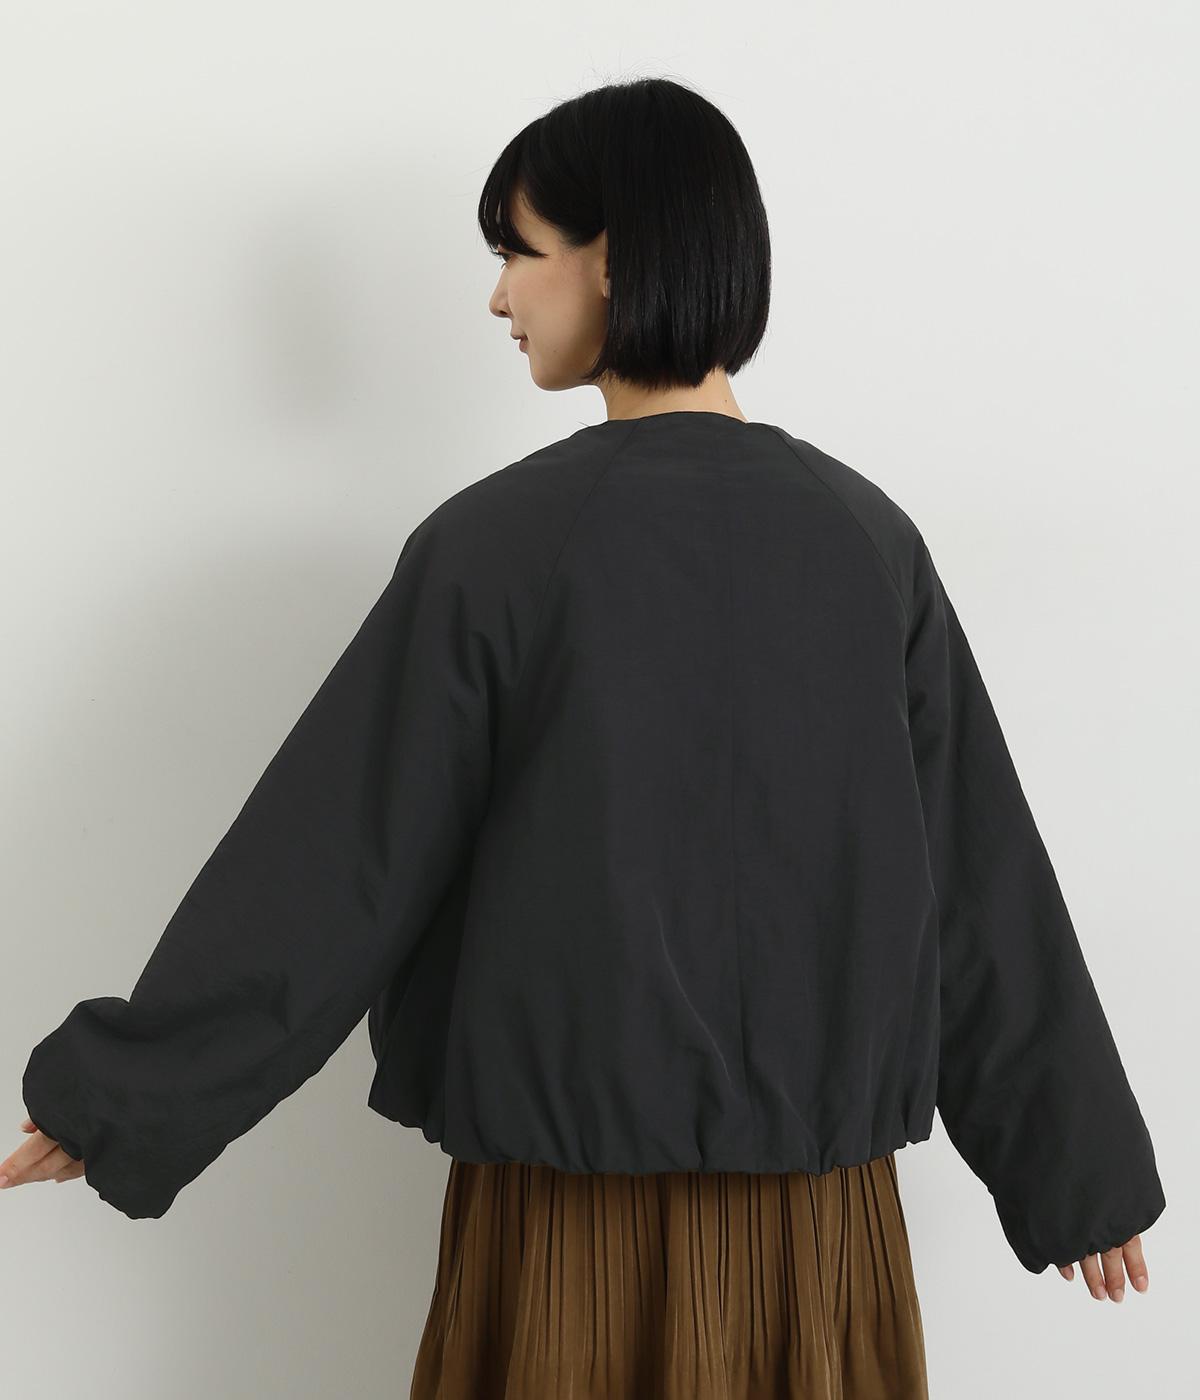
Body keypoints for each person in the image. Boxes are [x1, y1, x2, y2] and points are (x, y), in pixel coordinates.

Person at [4, 76, 1164, 1399]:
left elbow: (335, 870)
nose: (499, 297)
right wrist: (1074, 1168)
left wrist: (124, 1096)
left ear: (612, 257)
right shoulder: (867, 542)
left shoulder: (497, 548)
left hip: (564, 1230)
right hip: (825, 1241)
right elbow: (982, 883)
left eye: (519, 250)